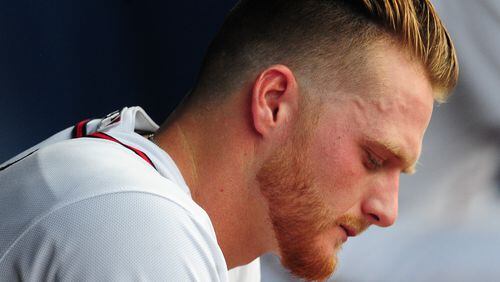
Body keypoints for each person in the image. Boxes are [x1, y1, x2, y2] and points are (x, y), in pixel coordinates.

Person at [0, 0, 457, 281]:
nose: (388, 212)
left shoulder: (216, 250)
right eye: (374, 158)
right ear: (274, 102)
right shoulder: (136, 219)